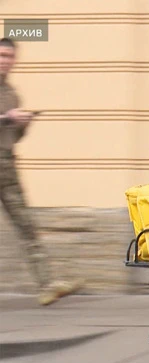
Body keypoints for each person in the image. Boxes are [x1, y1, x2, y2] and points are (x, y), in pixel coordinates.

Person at [0, 38, 83, 306]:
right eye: (2, 55)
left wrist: (22, 123)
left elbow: (13, 135)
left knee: (26, 225)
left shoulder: (11, 94)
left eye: (10, 56)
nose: (6, 61)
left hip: (6, 165)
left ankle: (47, 284)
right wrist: (8, 118)